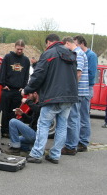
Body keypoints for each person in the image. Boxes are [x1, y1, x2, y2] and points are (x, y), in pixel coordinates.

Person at [21, 34, 78, 164]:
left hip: (53, 97)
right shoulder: (71, 54)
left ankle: (36, 154)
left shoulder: (49, 53)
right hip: (69, 97)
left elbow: (38, 75)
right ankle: (55, 155)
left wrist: (26, 90)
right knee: (62, 126)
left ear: (48, 42)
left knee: (43, 124)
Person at [61, 37, 89, 155]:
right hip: (81, 91)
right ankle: (73, 143)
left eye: (64, 46)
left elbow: (78, 73)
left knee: (72, 118)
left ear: (68, 43)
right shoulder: (80, 53)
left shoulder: (77, 53)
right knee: (76, 118)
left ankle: (71, 146)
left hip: (77, 91)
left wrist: (71, 89)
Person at [0, 39, 30, 137]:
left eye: (21, 49)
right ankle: (3, 130)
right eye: (18, 49)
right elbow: (2, 71)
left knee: (13, 112)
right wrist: (3, 84)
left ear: (24, 48)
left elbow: (26, 75)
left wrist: (23, 87)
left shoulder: (26, 60)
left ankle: (10, 131)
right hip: (7, 89)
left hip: (17, 91)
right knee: (4, 111)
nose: (19, 51)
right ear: (15, 47)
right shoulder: (8, 57)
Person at [73, 35, 98, 151]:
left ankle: (83, 142)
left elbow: (92, 74)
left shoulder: (91, 55)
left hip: (86, 88)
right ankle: (78, 139)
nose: (75, 47)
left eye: (76, 44)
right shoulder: (80, 55)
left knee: (83, 116)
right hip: (82, 88)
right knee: (78, 115)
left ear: (82, 43)